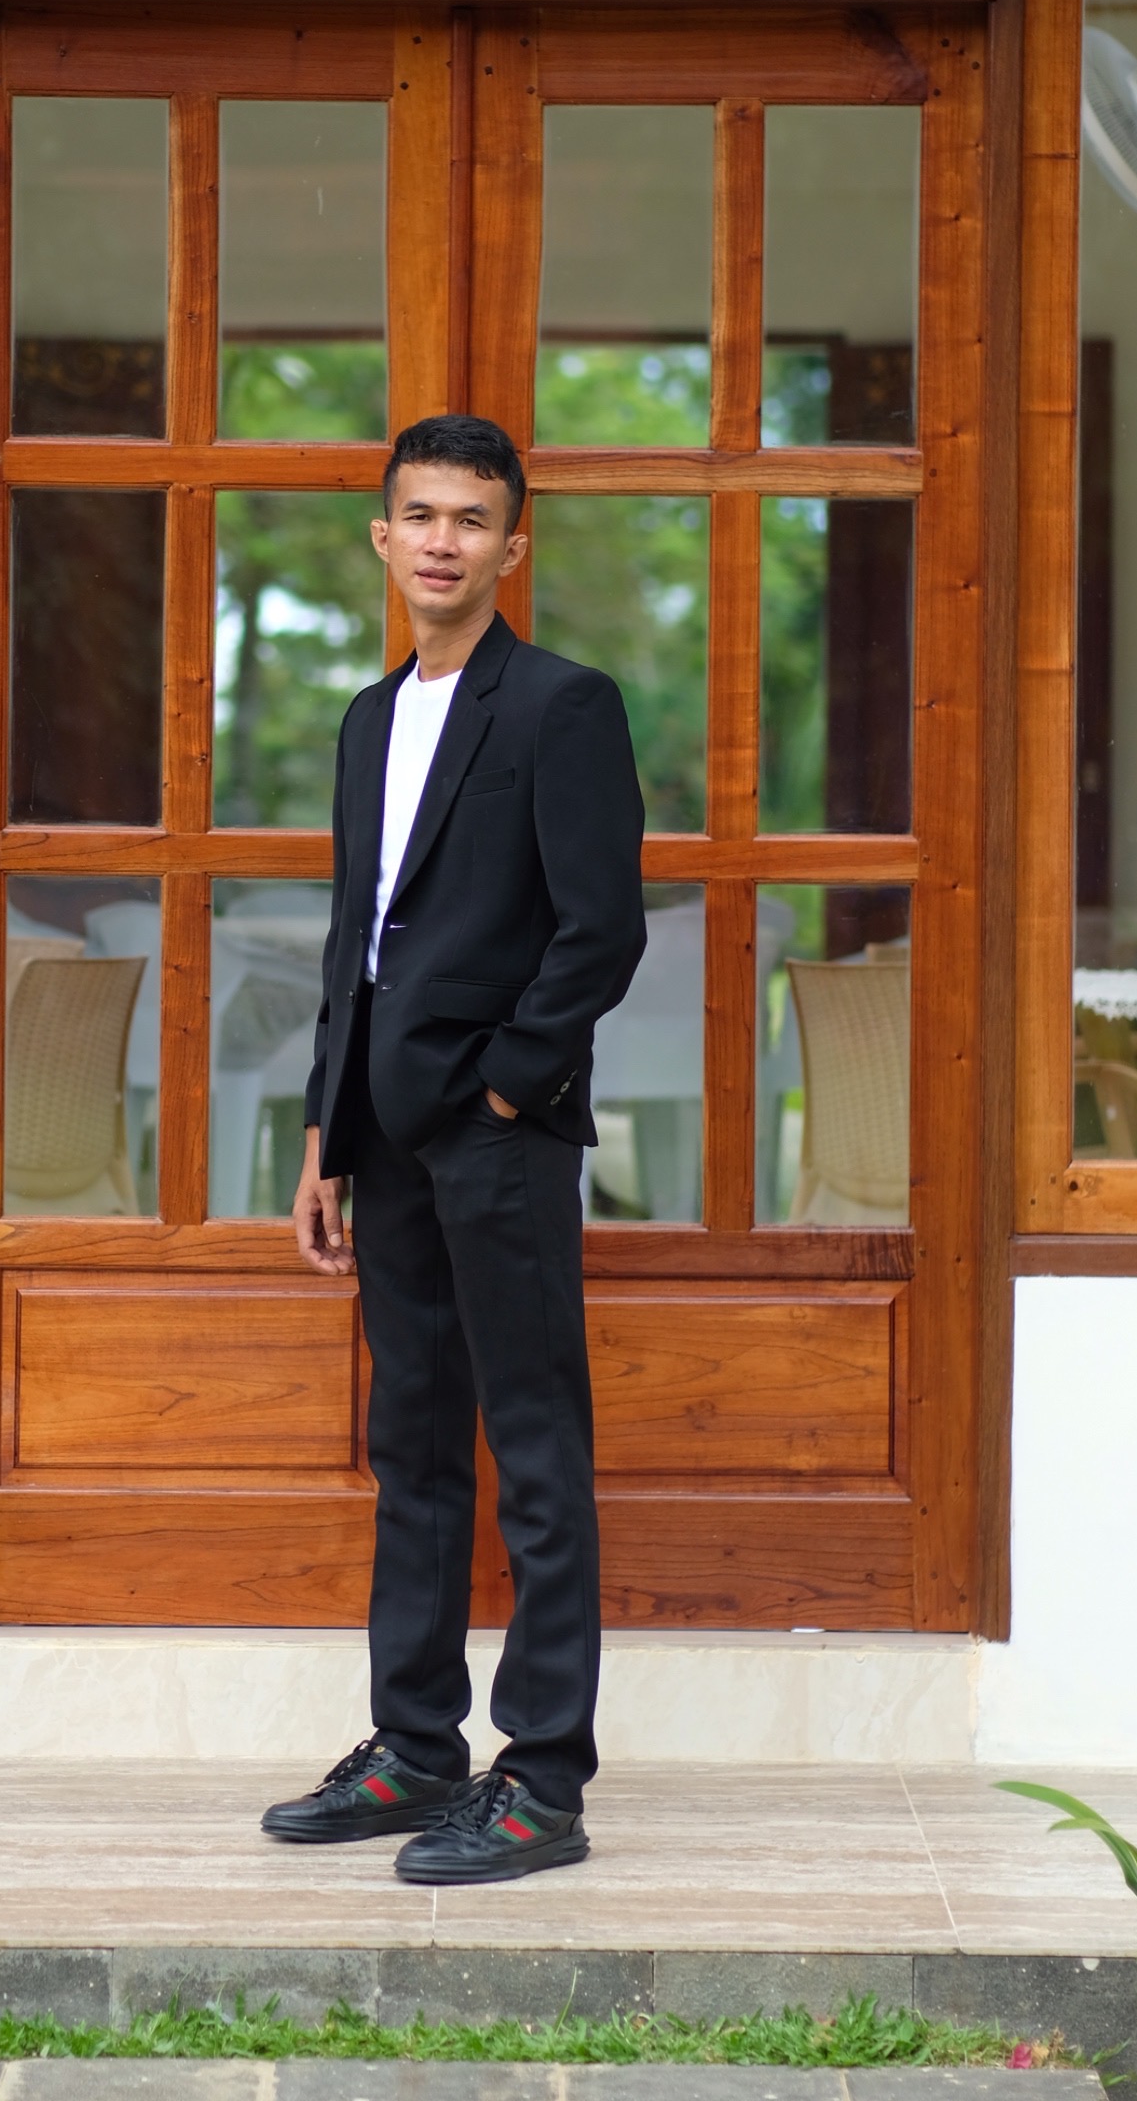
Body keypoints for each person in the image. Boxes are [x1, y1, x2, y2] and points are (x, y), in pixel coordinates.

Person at [260, 414, 646, 1885]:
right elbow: (354, 941)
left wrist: (501, 1093)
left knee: (535, 1449)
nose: (442, 541)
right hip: (383, 1134)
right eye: (419, 515)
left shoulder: (562, 705)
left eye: (471, 520)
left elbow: (600, 931)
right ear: (383, 537)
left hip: (499, 1136)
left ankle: (542, 1782)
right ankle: (416, 1750)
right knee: (412, 1448)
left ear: (511, 546)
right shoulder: (370, 719)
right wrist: (325, 1132)